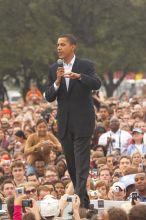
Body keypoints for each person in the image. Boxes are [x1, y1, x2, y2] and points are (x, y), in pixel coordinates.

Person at [45, 33, 101, 208]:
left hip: (83, 121)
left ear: (73, 47)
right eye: (57, 45)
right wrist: (58, 81)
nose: (59, 48)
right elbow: (48, 96)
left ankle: (77, 198)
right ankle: (83, 202)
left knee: (81, 160)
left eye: (62, 44)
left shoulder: (85, 65)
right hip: (64, 122)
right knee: (71, 162)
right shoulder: (55, 67)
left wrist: (79, 77)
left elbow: (96, 83)